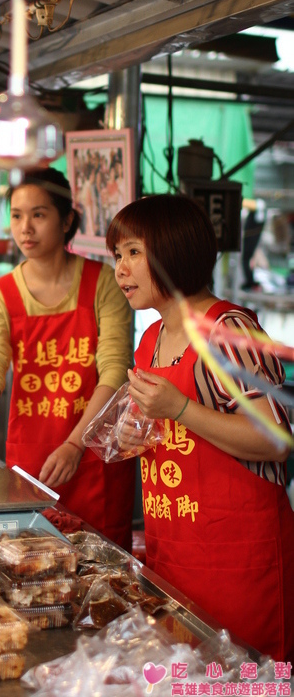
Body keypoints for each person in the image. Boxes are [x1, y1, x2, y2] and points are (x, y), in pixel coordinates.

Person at [106, 193, 294, 661]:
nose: (120, 269)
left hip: (239, 565)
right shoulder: (150, 338)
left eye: (133, 252)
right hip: (175, 554)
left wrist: (180, 409)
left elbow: (276, 441)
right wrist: (134, 436)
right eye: (117, 255)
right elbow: (162, 425)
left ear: (174, 251)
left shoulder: (229, 331)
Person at [0, 167, 136, 549]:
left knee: (104, 575)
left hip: (95, 457)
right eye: (17, 215)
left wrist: (76, 443)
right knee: (33, 564)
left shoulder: (102, 282)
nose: (25, 228)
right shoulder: (2, 293)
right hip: (31, 464)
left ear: (67, 221)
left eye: (39, 215)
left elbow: (114, 368)